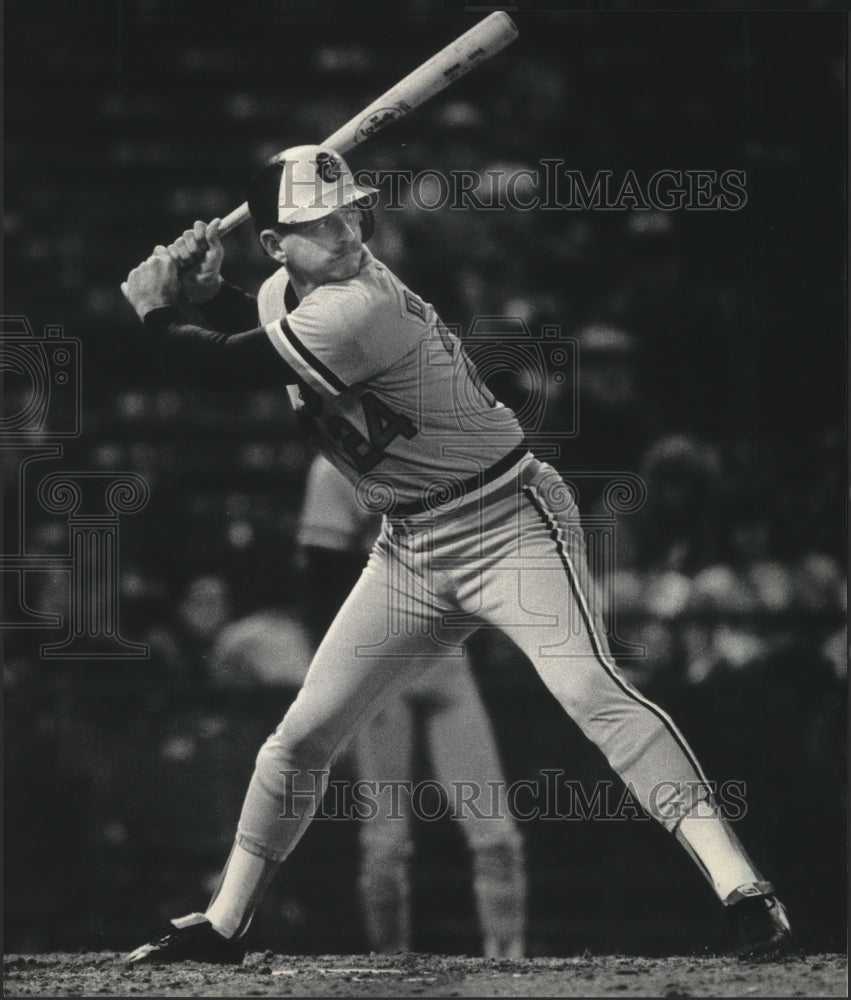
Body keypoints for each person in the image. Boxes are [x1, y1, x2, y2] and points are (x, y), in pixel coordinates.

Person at [119, 144, 791, 963]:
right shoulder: (283, 295)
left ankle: (742, 890)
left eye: (349, 213)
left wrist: (155, 308)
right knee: (300, 736)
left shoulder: (357, 304)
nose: (345, 232)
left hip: (507, 519)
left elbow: (222, 367)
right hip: (409, 546)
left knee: (592, 692)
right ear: (273, 245)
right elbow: (258, 321)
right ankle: (225, 921)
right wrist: (203, 292)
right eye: (317, 223)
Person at [296, 452, 526, 958]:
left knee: (497, 836)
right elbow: (323, 581)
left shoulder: (447, 451)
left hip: (448, 664)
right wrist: (339, 684)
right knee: (386, 841)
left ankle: (510, 971)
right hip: (380, 668)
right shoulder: (335, 467)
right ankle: (389, 967)